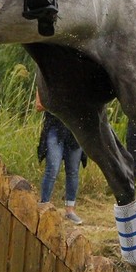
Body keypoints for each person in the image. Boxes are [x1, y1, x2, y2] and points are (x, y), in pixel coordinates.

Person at [35, 90, 83, 224]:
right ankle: (44, 206)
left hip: (76, 130)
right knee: (52, 169)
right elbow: (39, 105)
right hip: (54, 128)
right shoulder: (47, 77)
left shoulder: (80, 78)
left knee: (73, 171)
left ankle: (70, 210)